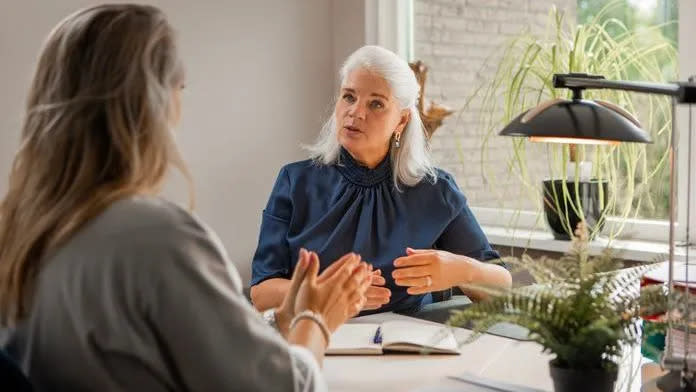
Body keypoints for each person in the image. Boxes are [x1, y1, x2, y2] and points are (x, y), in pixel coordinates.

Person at [0, 5, 369, 391]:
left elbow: (156, 345)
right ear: (153, 103)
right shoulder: (156, 238)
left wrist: (282, 319)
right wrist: (316, 320)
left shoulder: (21, 233)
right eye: (181, 89)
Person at [250, 45, 512, 316]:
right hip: (318, 341)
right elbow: (262, 292)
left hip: (408, 349)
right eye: (349, 97)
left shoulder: (436, 190)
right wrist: (325, 294)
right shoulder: (296, 182)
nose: (356, 112)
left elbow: (502, 286)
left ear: (402, 120)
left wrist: (462, 271)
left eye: (376, 103)